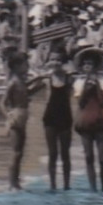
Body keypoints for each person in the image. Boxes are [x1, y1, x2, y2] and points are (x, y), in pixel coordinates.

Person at [73, 48, 103, 193]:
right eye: (85, 64)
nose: (87, 66)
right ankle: (92, 188)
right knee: (89, 156)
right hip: (85, 122)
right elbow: (80, 102)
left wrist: (95, 85)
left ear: (95, 65)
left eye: (90, 63)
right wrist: (86, 86)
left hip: (100, 121)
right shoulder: (78, 82)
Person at [40, 60, 73, 192]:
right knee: (52, 153)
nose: (56, 65)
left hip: (65, 117)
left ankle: (66, 185)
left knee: (65, 153)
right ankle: (52, 185)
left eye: (58, 61)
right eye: (53, 62)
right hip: (50, 118)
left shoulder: (69, 78)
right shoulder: (47, 79)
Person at [1, 49, 30, 191]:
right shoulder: (12, 82)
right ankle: (12, 183)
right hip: (16, 115)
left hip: (22, 114)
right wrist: (9, 116)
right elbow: (2, 102)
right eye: (25, 63)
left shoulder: (21, 81)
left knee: (20, 152)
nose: (28, 66)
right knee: (16, 152)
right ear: (17, 66)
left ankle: (16, 181)